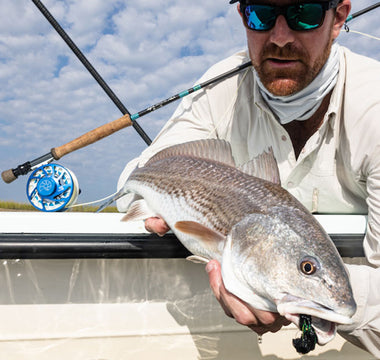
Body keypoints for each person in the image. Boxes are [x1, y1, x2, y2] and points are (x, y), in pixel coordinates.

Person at [117, 0, 380, 356]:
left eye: (306, 12)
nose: (281, 37)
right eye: (261, 13)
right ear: (243, 16)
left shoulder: (374, 109)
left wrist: (287, 290)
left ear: (339, 18)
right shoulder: (220, 84)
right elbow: (144, 171)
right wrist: (153, 203)